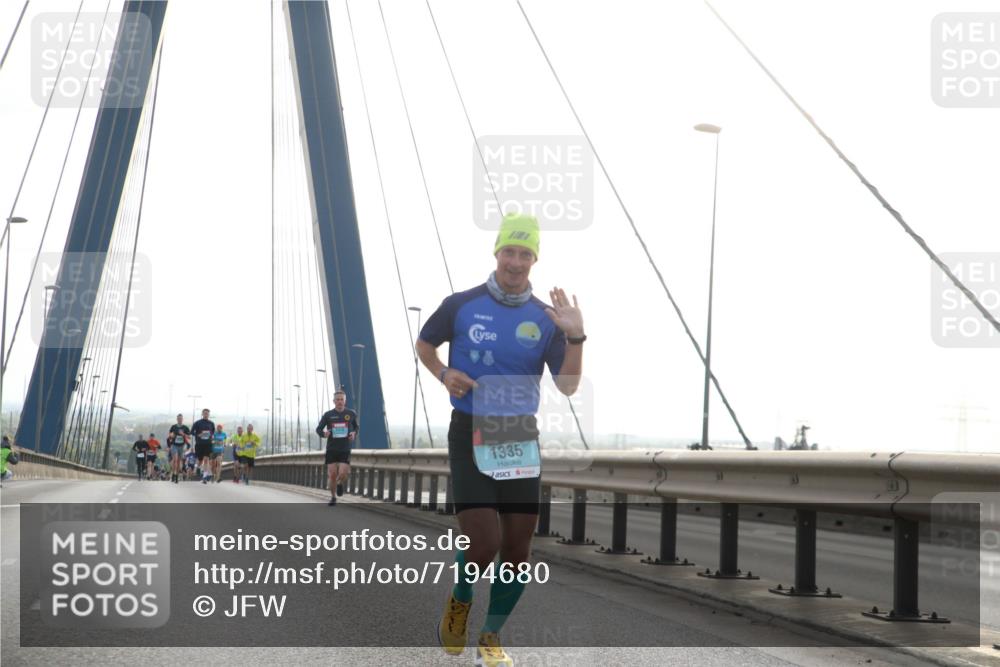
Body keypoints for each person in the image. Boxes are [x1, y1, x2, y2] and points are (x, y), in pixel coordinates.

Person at [416, 213, 584, 666]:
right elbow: (425, 344)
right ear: (496, 253)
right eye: (509, 251)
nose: (516, 261)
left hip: (518, 435)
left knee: (517, 549)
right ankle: (461, 599)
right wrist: (444, 372)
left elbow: (567, 387)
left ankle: (490, 637)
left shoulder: (546, 320)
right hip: (469, 431)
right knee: (484, 544)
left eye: (525, 253)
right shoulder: (461, 304)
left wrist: (576, 337)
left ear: (534, 259)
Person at [315, 389, 359, 506]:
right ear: (334, 401)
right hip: (332, 449)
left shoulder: (351, 414)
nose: (340, 402)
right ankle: (333, 497)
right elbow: (318, 429)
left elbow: (356, 428)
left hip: (345, 448)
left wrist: (354, 433)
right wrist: (324, 434)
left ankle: (340, 483)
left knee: (343, 473)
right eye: (337, 400)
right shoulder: (328, 415)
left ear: (345, 401)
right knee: (332, 474)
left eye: (342, 400)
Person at [191, 408, 216, 484]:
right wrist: (198, 435)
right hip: (199, 444)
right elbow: (191, 432)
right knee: (200, 460)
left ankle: (204, 477)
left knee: (206, 460)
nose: (206, 415)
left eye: (207, 413)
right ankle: (197, 467)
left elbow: (212, 433)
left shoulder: (211, 423)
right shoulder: (197, 423)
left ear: (209, 415)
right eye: (205, 413)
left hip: (208, 444)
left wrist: (211, 436)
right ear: (202, 414)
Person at [168, 414, 191, 483]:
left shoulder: (185, 428)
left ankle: (176, 475)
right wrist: (171, 435)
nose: (180, 419)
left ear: (182, 419)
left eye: (181, 418)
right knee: (175, 459)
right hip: (174, 446)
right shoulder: (173, 427)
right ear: (177, 419)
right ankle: (173, 473)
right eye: (178, 418)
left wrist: (183, 434)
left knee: (178, 462)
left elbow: (189, 437)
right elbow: (169, 435)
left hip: (181, 446)